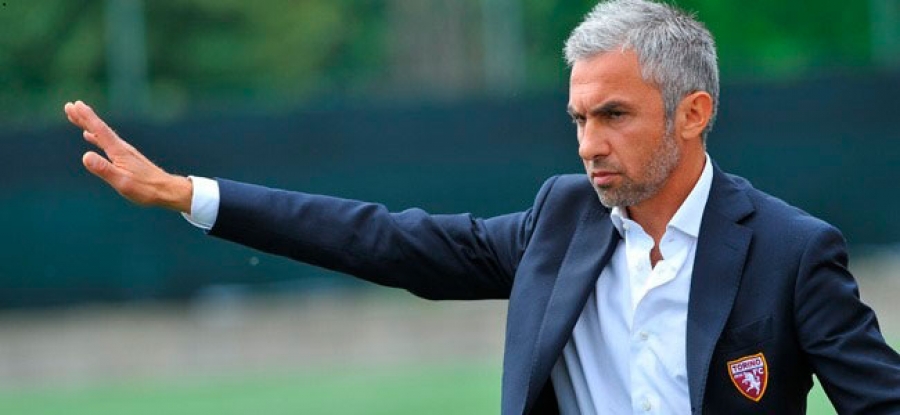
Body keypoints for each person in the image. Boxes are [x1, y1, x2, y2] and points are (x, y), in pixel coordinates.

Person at [64, 0, 900, 413]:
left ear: (693, 114)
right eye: (578, 118)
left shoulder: (792, 251)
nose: (588, 143)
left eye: (613, 115)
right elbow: (381, 239)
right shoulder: (559, 221)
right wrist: (189, 195)